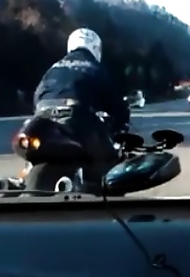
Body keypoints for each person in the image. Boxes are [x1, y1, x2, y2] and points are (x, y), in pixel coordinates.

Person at [32, 27, 130, 190]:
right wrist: (120, 123)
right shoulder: (95, 68)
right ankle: (98, 189)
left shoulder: (54, 67)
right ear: (96, 48)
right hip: (76, 117)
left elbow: (38, 95)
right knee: (109, 159)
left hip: (42, 117)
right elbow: (114, 101)